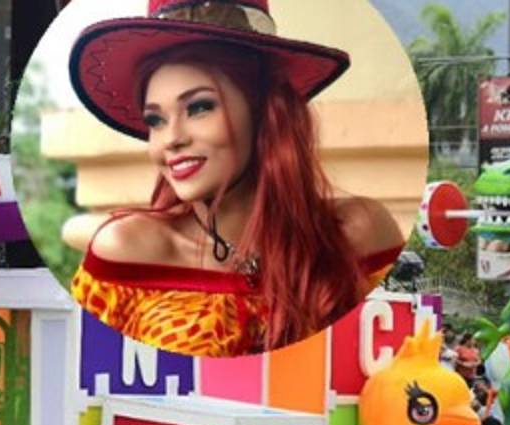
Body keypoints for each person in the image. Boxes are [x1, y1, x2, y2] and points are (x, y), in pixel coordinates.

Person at [63, 0, 405, 357]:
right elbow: (77, 372)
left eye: (199, 107)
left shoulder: (358, 234)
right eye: (155, 120)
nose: (171, 139)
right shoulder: (126, 252)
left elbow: (404, 366)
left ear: (264, 111)